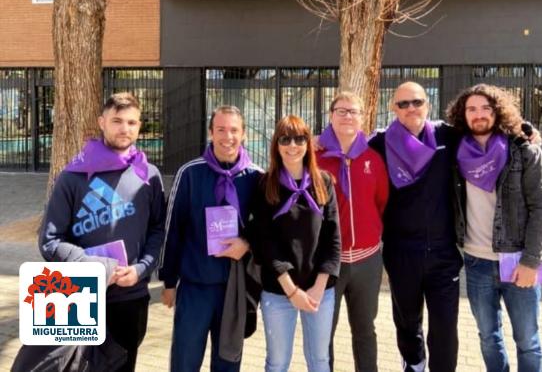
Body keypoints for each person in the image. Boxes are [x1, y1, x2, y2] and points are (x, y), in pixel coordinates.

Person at [39, 92, 166, 372]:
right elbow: (49, 240)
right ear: (101, 122)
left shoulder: (149, 176)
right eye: (117, 121)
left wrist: (141, 269)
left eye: (132, 122)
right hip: (78, 295)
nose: (125, 128)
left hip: (130, 297)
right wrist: (93, 267)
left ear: (139, 126)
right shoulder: (72, 176)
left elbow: (158, 229)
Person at [446, 84, 542, 372]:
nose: (479, 115)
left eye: (486, 108)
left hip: (518, 259)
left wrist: (532, 261)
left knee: (527, 340)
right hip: (476, 260)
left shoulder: (524, 151)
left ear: (498, 111)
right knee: (488, 338)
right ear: (462, 114)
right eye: (471, 109)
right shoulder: (456, 152)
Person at [159, 105, 262, 372]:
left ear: (244, 134)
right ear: (210, 133)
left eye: (234, 130)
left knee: (227, 362)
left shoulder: (258, 177)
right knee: (184, 362)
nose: (228, 137)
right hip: (195, 287)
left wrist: (247, 243)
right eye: (221, 130)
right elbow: (173, 230)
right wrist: (169, 282)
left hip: (235, 290)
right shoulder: (190, 174)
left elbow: (267, 228)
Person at [368, 82, 463, 372]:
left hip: (443, 253)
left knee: (445, 327)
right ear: (393, 108)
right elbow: (347, 149)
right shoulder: (380, 143)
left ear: (428, 104)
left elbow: (486, 130)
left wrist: (524, 131)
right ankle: (414, 362)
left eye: (417, 102)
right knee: (407, 321)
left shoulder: (448, 136)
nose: (411, 108)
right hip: (401, 253)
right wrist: (319, 142)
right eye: (403, 104)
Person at [250, 115, 341, 372]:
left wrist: (318, 287)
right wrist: (291, 290)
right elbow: (265, 244)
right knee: (277, 363)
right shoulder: (264, 185)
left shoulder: (323, 182)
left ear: (308, 143)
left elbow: (333, 238)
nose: (293, 145)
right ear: (276, 145)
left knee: (320, 360)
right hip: (279, 291)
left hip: (320, 291)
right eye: (285, 139)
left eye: (300, 138)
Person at [316, 92, 389, 372]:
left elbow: (381, 202)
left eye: (353, 112)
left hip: (367, 261)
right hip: (327, 263)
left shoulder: (373, 158)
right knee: (324, 333)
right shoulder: (314, 158)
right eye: (341, 110)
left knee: (365, 330)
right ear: (331, 115)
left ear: (362, 118)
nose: (348, 116)